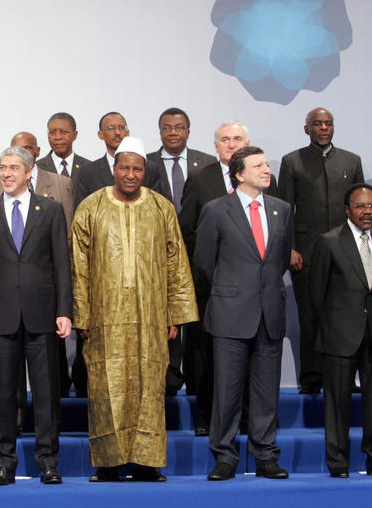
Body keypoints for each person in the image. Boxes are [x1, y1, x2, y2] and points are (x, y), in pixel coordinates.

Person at [71, 137, 197, 482]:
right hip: (103, 318)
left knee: (149, 387)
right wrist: (82, 315)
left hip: (151, 316)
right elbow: (78, 266)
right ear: (114, 169)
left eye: (137, 168)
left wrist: (175, 314)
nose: (130, 174)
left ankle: (147, 462)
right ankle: (109, 463)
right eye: (124, 167)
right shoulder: (91, 207)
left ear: (145, 171)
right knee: (104, 387)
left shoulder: (161, 208)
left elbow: (176, 262)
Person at [0, 146, 71, 485]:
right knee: (3, 394)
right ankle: (4, 463)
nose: (7, 173)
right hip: (1, 317)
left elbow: (62, 266)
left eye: (14, 167)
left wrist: (64, 311)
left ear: (29, 172)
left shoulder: (51, 210)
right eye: (2, 167)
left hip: (42, 315)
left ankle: (48, 462)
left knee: (45, 394)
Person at [195, 146, 293, 481]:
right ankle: (224, 455)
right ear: (239, 174)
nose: (267, 169)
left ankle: (266, 454)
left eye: (267, 164)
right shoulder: (216, 210)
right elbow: (205, 261)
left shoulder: (281, 209)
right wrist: (232, 290)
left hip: (270, 312)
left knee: (266, 392)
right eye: (258, 165)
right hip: (230, 312)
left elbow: (278, 262)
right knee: (227, 391)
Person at [178, 120, 278, 437]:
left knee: (256, 367)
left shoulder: (271, 194)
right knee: (212, 361)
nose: (231, 144)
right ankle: (209, 418)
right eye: (225, 139)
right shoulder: (201, 178)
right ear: (216, 146)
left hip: (257, 294)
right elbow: (192, 234)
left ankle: (250, 423)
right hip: (214, 290)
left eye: (237, 139)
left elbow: (276, 248)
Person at [308, 184, 372, 477]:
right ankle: (338, 462)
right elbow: (315, 296)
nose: (367, 212)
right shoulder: (329, 242)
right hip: (338, 335)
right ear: (347, 210)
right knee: (337, 404)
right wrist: (332, 327)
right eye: (360, 207)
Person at [278, 107, 364, 394]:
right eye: (317, 124)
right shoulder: (292, 162)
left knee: (345, 316)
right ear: (307, 129)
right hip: (307, 252)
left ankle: (345, 377)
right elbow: (285, 210)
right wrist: (290, 248)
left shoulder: (351, 161)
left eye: (328, 123)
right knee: (311, 316)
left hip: (345, 252)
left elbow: (359, 207)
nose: (323, 128)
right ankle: (312, 377)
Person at [146, 108, 217, 397]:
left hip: (200, 253)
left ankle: (200, 381)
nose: (173, 132)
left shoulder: (207, 164)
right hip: (159, 253)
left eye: (179, 127)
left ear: (188, 130)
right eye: (166, 127)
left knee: (198, 321)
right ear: (160, 131)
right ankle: (171, 377)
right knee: (167, 318)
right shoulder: (147, 164)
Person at [73, 112, 163, 209]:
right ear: (100, 134)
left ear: (127, 133)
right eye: (111, 128)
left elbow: (156, 207)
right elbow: (81, 212)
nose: (117, 132)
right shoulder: (88, 172)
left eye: (121, 128)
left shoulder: (149, 168)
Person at [36, 112, 89, 180]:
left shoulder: (88, 167)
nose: (58, 137)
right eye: (52, 132)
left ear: (75, 135)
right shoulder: (37, 168)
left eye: (64, 132)